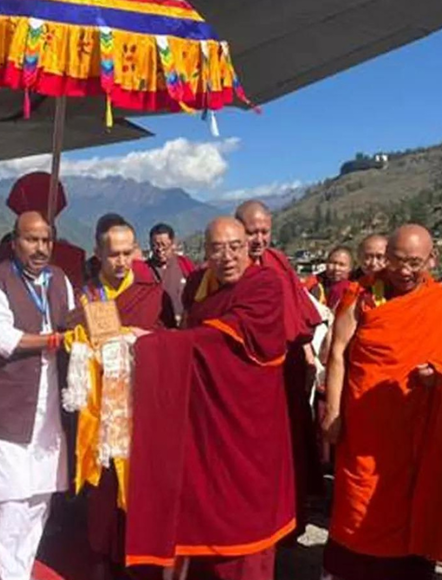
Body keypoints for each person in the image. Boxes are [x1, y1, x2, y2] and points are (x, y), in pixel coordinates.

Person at [126, 217, 298, 579]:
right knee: (202, 503)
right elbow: (193, 333)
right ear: (205, 252)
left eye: (235, 247)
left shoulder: (265, 285)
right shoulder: (200, 288)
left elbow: (219, 339)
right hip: (206, 419)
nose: (228, 257)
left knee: (243, 518)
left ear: (248, 247)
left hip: (250, 426)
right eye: (217, 249)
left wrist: (153, 344)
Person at [320, 225, 442, 580]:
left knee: (413, 508)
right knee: (359, 505)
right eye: (396, 260)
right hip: (367, 426)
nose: (404, 271)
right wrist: (332, 412)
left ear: (431, 260)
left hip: (417, 431)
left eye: (414, 262)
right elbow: (337, 351)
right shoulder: (360, 293)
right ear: (385, 255)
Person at [64, 215, 175, 579]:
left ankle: (136, 552)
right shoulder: (86, 295)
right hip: (97, 410)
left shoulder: (152, 293)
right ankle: (100, 553)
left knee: (138, 481)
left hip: (138, 405)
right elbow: (68, 341)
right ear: (98, 252)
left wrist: (142, 339)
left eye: (129, 252)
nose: (123, 261)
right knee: (102, 484)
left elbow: (170, 342)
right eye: (114, 254)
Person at [0, 211, 76, 580]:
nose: (40, 248)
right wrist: (55, 341)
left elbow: (74, 320)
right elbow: (1, 339)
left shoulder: (59, 279)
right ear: (14, 242)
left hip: (48, 408)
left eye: (46, 240)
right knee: (8, 501)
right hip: (6, 407)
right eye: (32, 240)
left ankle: (22, 571)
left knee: (39, 499)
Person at [234, 200, 324, 540]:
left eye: (264, 231)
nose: (258, 239)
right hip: (248, 374)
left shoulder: (279, 263)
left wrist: (307, 353)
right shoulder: (229, 267)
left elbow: (299, 318)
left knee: (289, 448)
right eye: (251, 232)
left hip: (284, 370)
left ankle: (288, 520)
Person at [146, 223, 196, 325]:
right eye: (155, 245)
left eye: (164, 245)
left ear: (173, 244)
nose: (160, 250)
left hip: (184, 324)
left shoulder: (185, 265)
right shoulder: (144, 269)